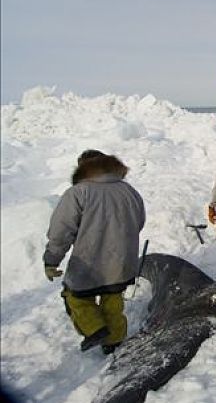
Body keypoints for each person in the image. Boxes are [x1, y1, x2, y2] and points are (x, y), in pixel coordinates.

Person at [43, 149, 146, 354]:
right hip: (122, 261)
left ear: (83, 167)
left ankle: (95, 329)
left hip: (89, 261)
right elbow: (139, 221)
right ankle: (114, 343)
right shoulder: (128, 190)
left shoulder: (78, 192)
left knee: (75, 297)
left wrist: (51, 260)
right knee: (113, 300)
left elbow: (61, 230)